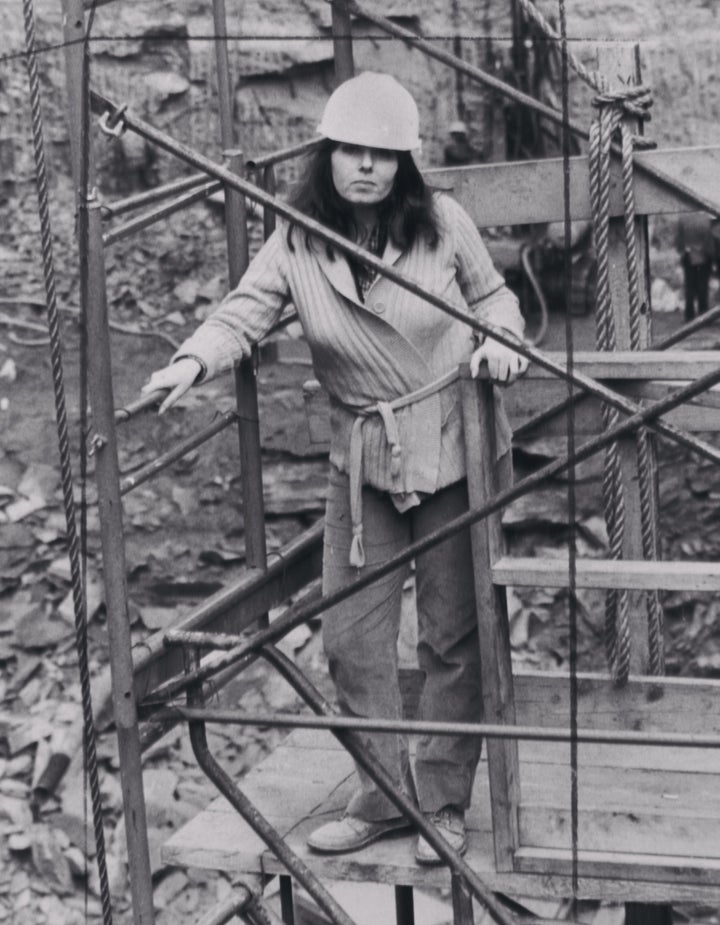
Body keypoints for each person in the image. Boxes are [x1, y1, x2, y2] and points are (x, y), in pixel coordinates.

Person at [143, 71, 527, 865]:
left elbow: (496, 301)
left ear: (403, 163)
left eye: (383, 154)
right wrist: (191, 363)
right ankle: (388, 799)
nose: (366, 167)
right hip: (364, 456)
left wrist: (498, 341)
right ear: (328, 155)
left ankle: (446, 800)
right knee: (352, 638)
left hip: (452, 444)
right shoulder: (297, 238)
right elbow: (243, 312)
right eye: (352, 150)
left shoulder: (442, 223)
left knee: (456, 635)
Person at [675, 212, 717, 321]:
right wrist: (712, 256)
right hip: (703, 255)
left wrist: (681, 249)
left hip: (688, 254)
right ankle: (703, 313)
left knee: (689, 285)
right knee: (703, 285)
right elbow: (709, 240)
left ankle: (689, 314)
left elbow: (679, 240)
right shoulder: (705, 219)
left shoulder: (683, 218)